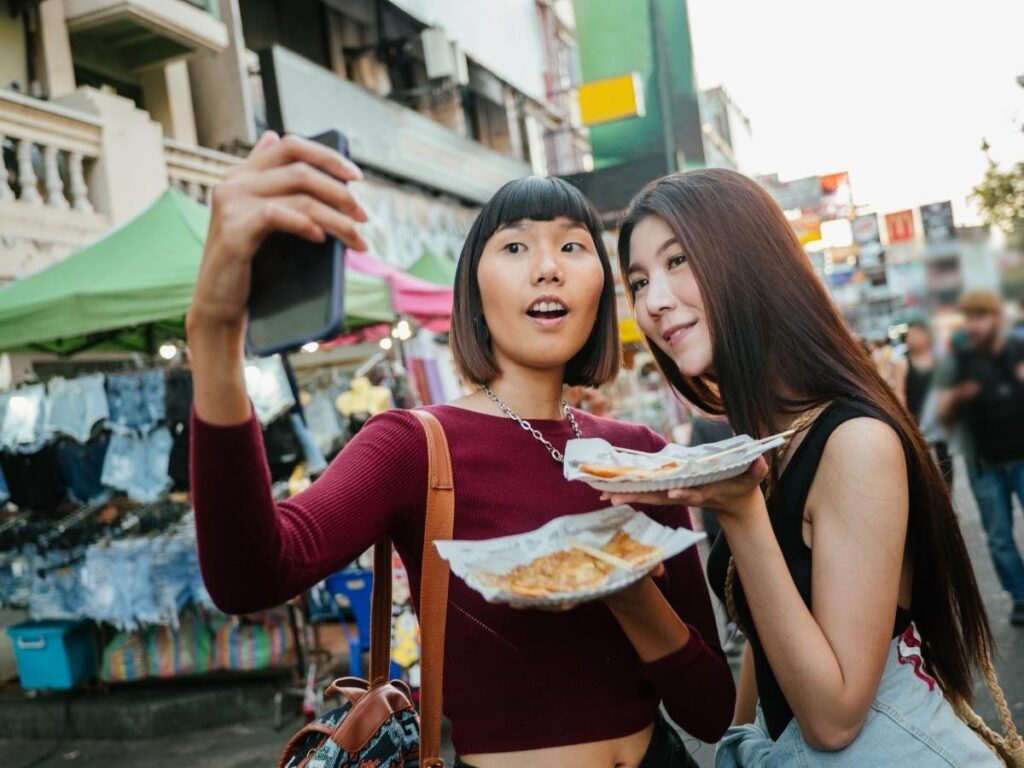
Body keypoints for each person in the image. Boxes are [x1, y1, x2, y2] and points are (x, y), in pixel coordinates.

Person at [185, 132, 734, 768]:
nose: (548, 265)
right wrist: (217, 329)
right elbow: (251, 575)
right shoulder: (413, 446)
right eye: (516, 245)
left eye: (573, 246)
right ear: (473, 292)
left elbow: (711, 709)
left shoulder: (642, 455)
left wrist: (630, 594)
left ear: (601, 293)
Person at [607, 169, 1001, 765]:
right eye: (638, 281)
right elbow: (772, 632)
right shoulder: (770, 437)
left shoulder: (855, 441)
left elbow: (835, 718)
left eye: (679, 260)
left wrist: (739, 512)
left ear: (751, 260)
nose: (654, 301)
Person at [936, 290, 1024, 627]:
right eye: (970, 317)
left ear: (997, 317)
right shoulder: (958, 360)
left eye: (981, 316)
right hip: (984, 464)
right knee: (999, 536)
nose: (975, 324)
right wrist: (958, 396)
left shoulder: (1017, 348)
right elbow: (942, 415)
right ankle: (1019, 596)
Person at [892, 321, 954, 486]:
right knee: (923, 458)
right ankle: (932, 490)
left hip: (939, 416)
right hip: (916, 418)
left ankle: (948, 489)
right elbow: (900, 392)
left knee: (945, 457)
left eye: (915, 334)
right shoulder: (903, 362)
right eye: (909, 335)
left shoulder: (937, 359)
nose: (911, 338)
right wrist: (905, 420)